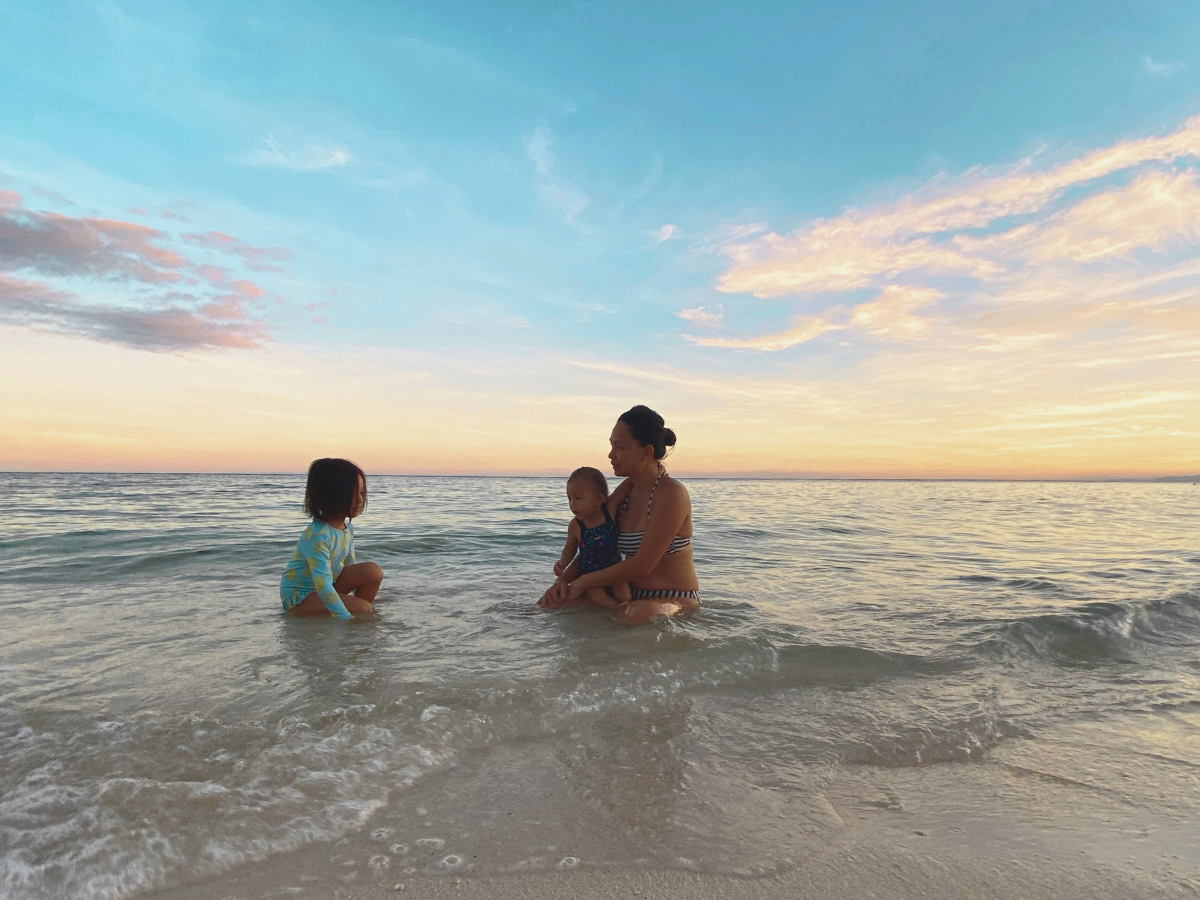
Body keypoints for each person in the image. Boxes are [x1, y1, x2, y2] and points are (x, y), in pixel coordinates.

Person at [540, 406, 698, 624]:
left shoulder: (671, 494)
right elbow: (595, 546)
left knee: (638, 614)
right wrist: (563, 581)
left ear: (646, 452)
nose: (611, 455)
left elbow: (643, 565)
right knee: (546, 606)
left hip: (673, 600)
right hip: (626, 595)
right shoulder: (623, 498)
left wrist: (582, 582)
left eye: (620, 447)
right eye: (611, 445)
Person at [280, 458, 384, 619]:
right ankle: (350, 615)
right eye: (352, 494)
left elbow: (349, 566)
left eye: (362, 493)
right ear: (331, 495)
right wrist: (346, 617)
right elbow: (322, 584)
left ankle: (354, 613)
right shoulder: (318, 536)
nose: (360, 500)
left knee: (372, 572)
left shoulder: (346, 528)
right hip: (301, 596)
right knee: (363, 608)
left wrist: (355, 602)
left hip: (326, 586)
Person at [553, 466, 632, 610]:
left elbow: (625, 487)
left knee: (622, 587)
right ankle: (614, 608)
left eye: (578, 498)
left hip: (613, 570)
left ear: (599, 499)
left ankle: (626, 604)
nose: (572, 504)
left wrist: (650, 471)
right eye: (569, 498)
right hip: (588, 574)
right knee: (595, 593)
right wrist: (563, 562)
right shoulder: (576, 525)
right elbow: (570, 548)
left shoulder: (609, 511)